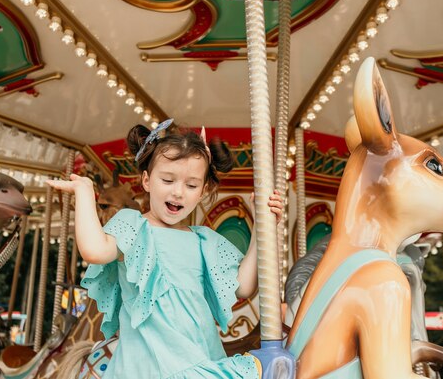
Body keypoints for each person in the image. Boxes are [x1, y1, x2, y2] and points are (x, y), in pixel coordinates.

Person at [47, 119, 282, 379]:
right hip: (146, 366)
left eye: (191, 185)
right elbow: (94, 251)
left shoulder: (203, 240)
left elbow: (244, 286)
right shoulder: (133, 225)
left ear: (203, 191)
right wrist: (84, 191)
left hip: (199, 359)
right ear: (147, 181)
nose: (178, 192)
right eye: (168, 180)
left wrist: (262, 224)